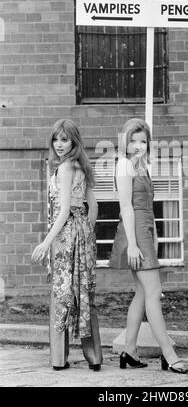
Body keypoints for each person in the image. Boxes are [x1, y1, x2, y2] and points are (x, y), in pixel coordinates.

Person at [109, 118, 188, 374]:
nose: (138, 145)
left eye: (143, 141)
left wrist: (152, 236)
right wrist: (133, 244)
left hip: (144, 232)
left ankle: (130, 350)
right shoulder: (124, 165)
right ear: (125, 141)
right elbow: (126, 207)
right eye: (133, 140)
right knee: (154, 293)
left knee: (143, 294)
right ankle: (168, 353)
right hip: (135, 234)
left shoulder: (141, 166)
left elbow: (147, 208)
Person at [31, 119, 102, 371]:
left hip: (63, 236)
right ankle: (94, 358)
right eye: (56, 139)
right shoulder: (82, 165)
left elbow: (61, 213)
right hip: (83, 234)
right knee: (85, 293)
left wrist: (46, 242)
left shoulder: (64, 168)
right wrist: (86, 233)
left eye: (65, 139)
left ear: (74, 140)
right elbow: (93, 206)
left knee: (61, 294)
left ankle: (59, 360)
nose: (59, 144)